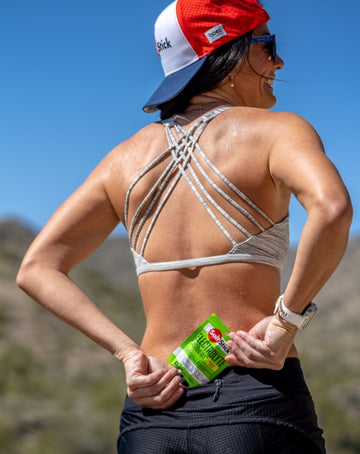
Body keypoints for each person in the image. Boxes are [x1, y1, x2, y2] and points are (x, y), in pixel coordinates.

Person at [17, 0, 352, 453]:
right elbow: (332, 210)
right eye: (267, 46)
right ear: (228, 55)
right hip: (255, 401)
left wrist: (128, 354)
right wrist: (286, 321)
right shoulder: (278, 132)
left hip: (151, 415)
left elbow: (37, 267)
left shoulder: (122, 161)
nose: (279, 62)